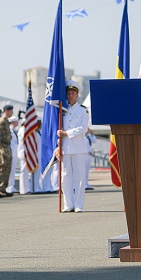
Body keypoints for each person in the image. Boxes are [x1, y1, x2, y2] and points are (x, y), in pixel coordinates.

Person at [56, 81, 90, 213]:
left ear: (77, 95)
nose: (70, 96)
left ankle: (78, 204)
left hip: (78, 148)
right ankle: (68, 204)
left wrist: (67, 133)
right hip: (65, 148)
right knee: (66, 177)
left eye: (73, 93)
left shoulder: (82, 110)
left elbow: (83, 128)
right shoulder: (62, 110)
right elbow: (57, 130)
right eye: (68, 93)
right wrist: (57, 148)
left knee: (79, 177)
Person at [0, 105, 14, 197]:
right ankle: (0, 187)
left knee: (7, 167)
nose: (12, 113)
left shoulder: (6, 121)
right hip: (3, 146)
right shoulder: (2, 121)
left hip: (7, 146)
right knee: (3, 167)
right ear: (6, 111)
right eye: (11, 111)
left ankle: (4, 188)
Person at [7, 116, 19, 194]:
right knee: (10, 170)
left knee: (13, 170)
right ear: (12, 122)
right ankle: (9, 187)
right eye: (16, 121)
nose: (17, 123)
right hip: (11, 153)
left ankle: (12, 186)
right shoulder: (10, 131)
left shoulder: (14, 131)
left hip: (14, 153)